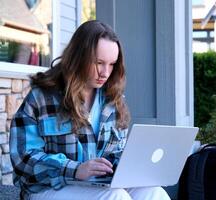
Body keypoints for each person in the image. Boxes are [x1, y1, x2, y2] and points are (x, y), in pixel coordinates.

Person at [9, 20, 170, 200]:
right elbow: (23, 160)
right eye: (99, 62)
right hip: (47, 188)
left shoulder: (113, 99)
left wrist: (129, 166)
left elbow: (117, 152)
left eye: (112, 64)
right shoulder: (41, 97)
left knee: (154, 192)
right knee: (116, 197)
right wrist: (75, 169)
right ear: (79, 57)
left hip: (97, 185)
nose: (105, 72)